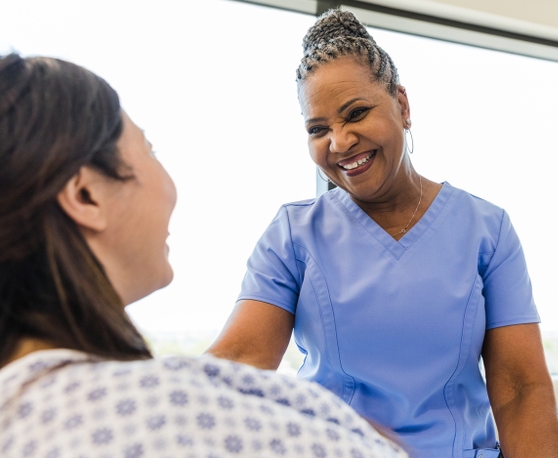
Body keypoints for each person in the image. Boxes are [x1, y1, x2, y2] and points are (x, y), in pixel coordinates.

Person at [0, 53, 407, 458]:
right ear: (86, 195)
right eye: (150, 150)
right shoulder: (157, 413)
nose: (339, 141)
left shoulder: (27, 409)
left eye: (356, 114)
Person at [208, 9, 558, 457]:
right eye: (318, 129)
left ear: (402, 105)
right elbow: (239, 363)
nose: (339, 142)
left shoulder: (486, 230)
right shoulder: (293, 234)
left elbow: (520, 387)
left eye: (356, 113)